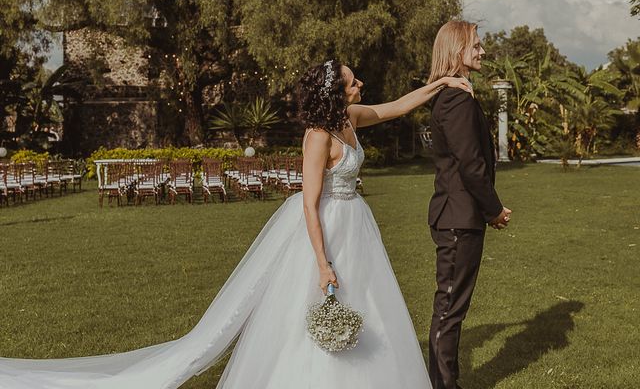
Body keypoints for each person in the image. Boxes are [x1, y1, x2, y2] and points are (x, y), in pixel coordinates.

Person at [0, 61, 470, 389]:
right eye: (352, 81)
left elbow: (396, 107)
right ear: (335, 91)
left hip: (357, 226)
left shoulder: (349, 119)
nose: (360, 84)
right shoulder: (318, 136)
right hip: (324, 226)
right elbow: (308, 204)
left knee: (366, 303)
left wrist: (444, 81)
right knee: (312, 306)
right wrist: (323, 263)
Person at [426, 21, 512, 389]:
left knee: (452, 305)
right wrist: (494, 209)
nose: (481, 51)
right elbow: (471, 164)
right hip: (459, 218)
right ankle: (444, 384)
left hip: (459, 216)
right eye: (475, 46)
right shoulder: (457, 99)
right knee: (449, 307)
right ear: (456, 51)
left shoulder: (454, 94)